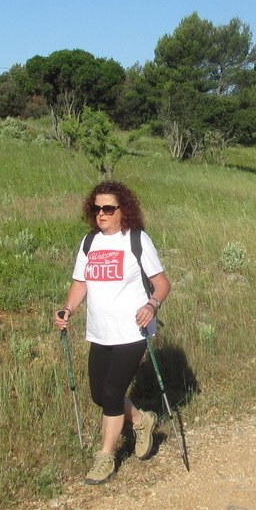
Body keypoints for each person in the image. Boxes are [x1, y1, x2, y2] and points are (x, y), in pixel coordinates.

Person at [54, 181, 171, 484]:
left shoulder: (136, 240)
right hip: (100, 332)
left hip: (132, 331)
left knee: (111, 393)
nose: (101, 214)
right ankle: (141, 420)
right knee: (99, 394)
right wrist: (68, 309)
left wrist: (152, 305)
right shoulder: (89, 242)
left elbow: (162, 284)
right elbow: (81, 282)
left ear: (123, 211)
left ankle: (105, 457)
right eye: (97, 208)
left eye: (108, 208)